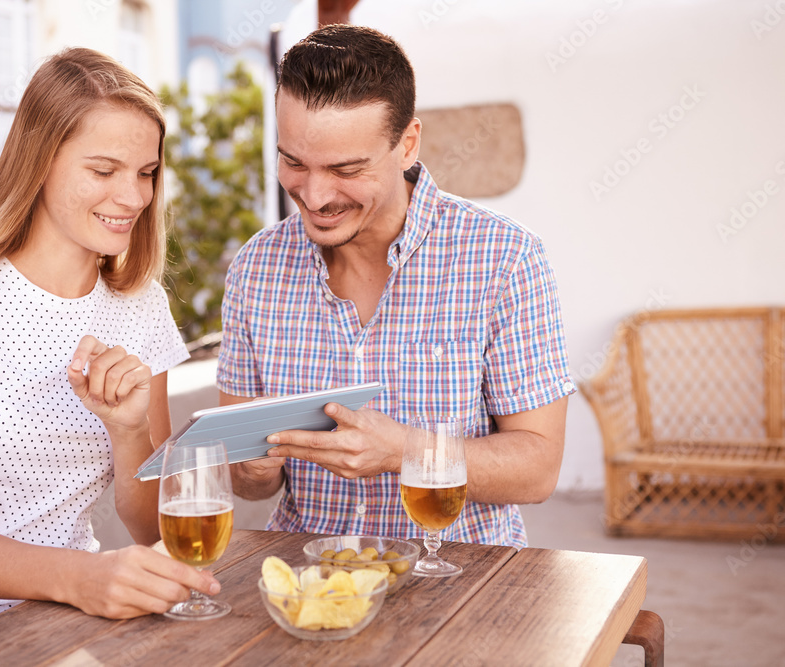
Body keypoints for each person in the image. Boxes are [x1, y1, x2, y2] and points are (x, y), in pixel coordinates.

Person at [0, 48, 219, 660]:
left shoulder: (140, 309)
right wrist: (85, 577)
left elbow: (154, 527)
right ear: (40, 162)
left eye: (146, 172)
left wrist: (130, 429)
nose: (133, 196)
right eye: (105, 169)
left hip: (60, 625)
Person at [218, 25, 575, 549]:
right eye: (293, 161)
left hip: (459, 575)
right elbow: (251, 480)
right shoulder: (257, 267)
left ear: (407, 144)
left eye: (346, 168)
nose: (314, 195)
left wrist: (403, 450)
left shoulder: (503, 257)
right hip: (309, 581)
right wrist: (248, 466)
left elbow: (538, 469)